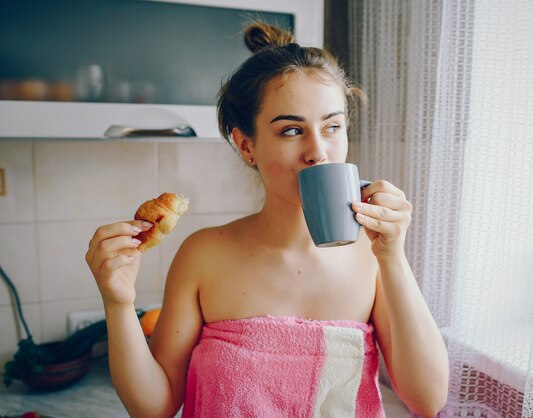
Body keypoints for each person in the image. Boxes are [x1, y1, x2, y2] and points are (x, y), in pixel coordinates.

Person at [85, 21, 448, 418]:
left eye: (332, 127)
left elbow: (428, 399)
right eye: (292, 130)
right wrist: (118, 303)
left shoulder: (373, 257)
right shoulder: (203, 255)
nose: (318, 152)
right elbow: (154, 408)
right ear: (246, 145)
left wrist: (393, 256)